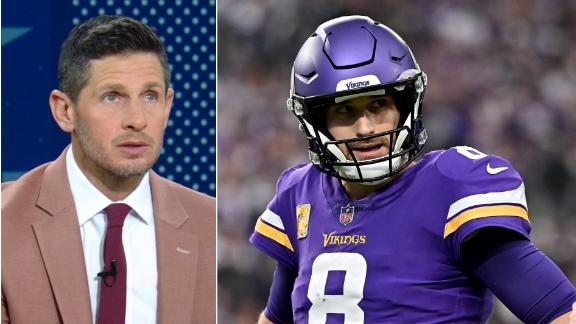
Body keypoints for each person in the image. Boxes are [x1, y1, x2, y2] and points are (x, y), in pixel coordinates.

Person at [250, 15, 576, 323]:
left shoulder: (449, 186)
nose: (365, 128)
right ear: (315, 122)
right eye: (345, 111)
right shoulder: (299, 194)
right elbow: (277, 317)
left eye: (378, 105)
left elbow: (560, 311)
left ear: (406, 106)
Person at [1, 16, 215, 323]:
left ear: (168, 106)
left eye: (150, 96)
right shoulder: (6, 224)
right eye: (112, 97)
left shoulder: (209, 226)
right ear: (65, 111)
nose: (137, 119)